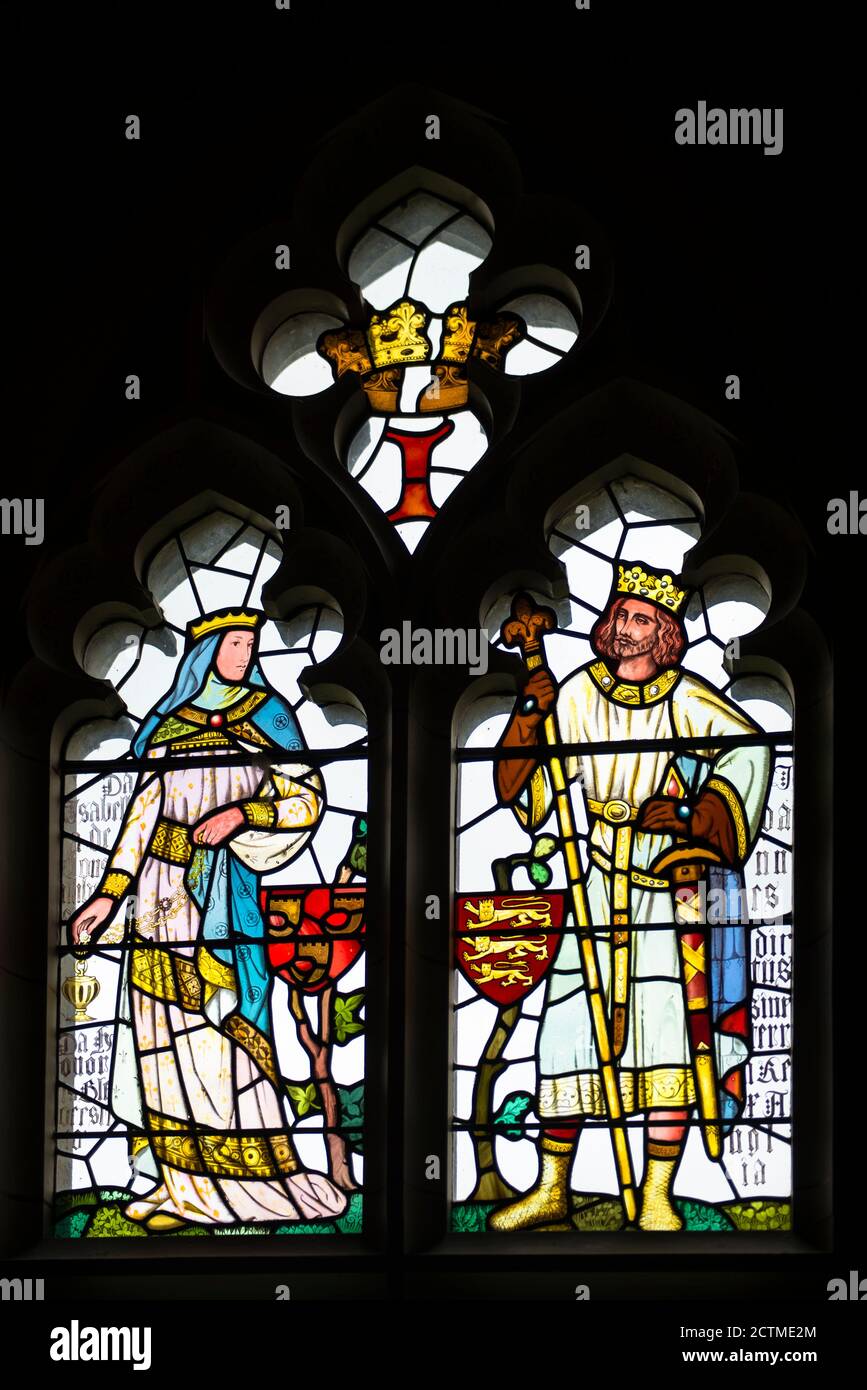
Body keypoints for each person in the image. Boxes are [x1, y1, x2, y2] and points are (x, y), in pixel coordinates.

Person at [489, 564, 771, 1231]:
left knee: (667, 1042)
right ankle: (552, 1186)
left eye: (640, 620)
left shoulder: (688, 699)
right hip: (592, 884)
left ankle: (653, 1196)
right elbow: (531, 785)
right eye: (618, 617)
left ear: (665, 634)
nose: (625, 629)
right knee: (567, 1040)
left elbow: (748, 754)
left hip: (661, 895)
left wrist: (689, 815)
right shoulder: (578, 692)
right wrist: (532, 710)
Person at [69, 608, 348, 1231]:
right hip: (158, 898)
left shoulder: (269, 716)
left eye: (252, 644)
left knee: (225, 1028)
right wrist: (105, 899)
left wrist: (246, 817)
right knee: (161, 1036)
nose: (246, 654)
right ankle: (180, 1183)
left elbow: (305, 798)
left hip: (227, 892)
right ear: (207, 652)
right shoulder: (168, 726)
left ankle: (248, 1181)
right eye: (236, 643)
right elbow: (142, 818)